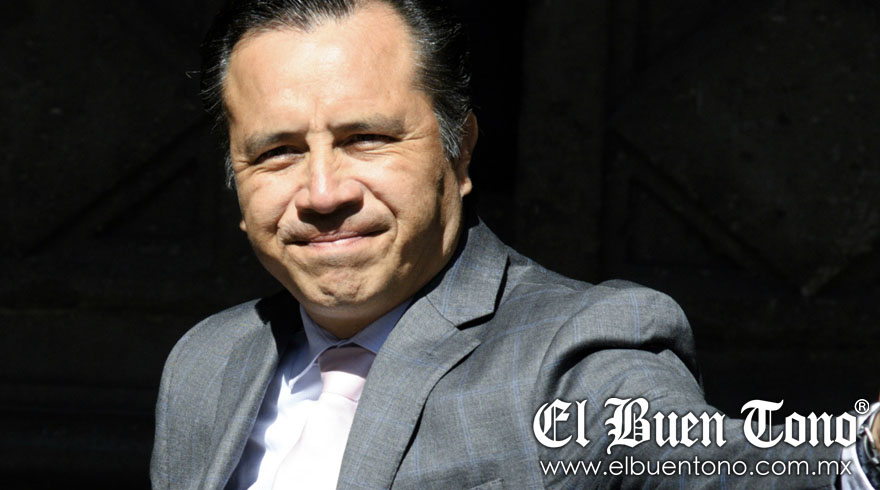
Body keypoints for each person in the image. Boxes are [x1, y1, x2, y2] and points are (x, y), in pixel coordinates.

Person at [150, 0, 880, 488]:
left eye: (366, 138)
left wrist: (859, 452)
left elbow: (708, 463)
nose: (321, 192)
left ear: (460, 150)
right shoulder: (206, 362)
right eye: (276, 152)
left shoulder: (573, 350)